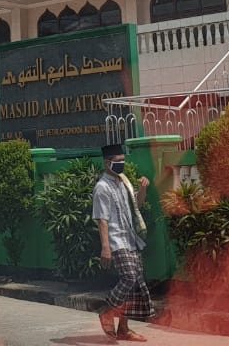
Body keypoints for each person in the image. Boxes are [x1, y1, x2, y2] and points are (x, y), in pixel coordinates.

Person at [92, 144, 151, 342]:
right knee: (129, 277)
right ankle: (107, 311)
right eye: (117, 162)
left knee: (135, 283)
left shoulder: (123, 181)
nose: (121, 164)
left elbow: (137, 205)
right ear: (107, 163)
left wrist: (143, 189)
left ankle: (124, 329)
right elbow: (102, 219)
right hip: (116, 241)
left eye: (122, 161)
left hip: (131, 238)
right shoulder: (102, 187)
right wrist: (105, 247)